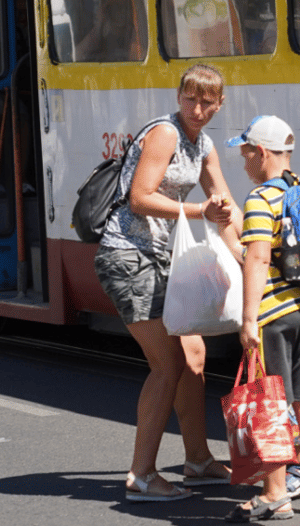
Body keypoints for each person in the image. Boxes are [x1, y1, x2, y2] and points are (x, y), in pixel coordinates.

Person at [93, 63, 241, 502]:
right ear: (178, 97)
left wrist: (250, 256)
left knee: (193, 354)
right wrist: (199, 213)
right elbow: (140, 197)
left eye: (207, 102)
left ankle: (196, 459)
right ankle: (141, 476)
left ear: (219, 104)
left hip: (161, 257)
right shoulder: (166, 134)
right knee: (168, 363)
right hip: (128, 256)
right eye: (190, 99)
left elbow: (225, 205)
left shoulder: (204, 144)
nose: (197, 109)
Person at [227, 115, 300, 521]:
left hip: (277, 314)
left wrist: (248, 318)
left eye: (245, 154)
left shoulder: (260, 198)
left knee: (271, 403)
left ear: (261, 153)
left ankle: (275, 494)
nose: (243, 163)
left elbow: (256, 257)